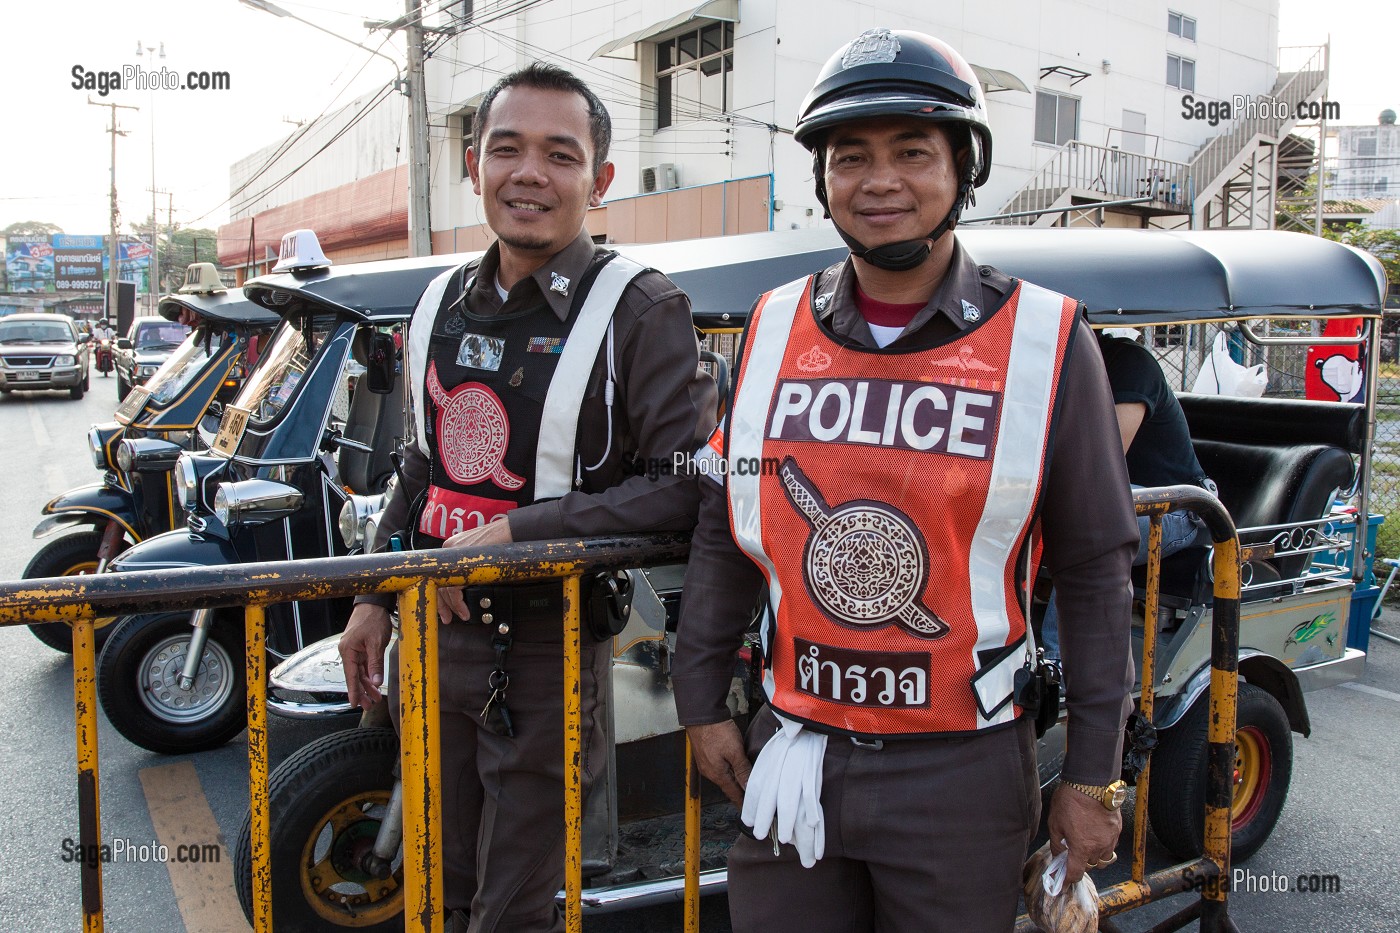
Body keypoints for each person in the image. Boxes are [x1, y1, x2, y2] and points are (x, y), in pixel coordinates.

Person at [672, 29, 1139, 931]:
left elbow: (1093, 570)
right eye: (851, 158)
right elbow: (725, 529)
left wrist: (1091, 774)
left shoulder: (1045, 339)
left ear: (965, 170)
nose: (879, 180)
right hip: (793, 749)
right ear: (824, 181)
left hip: (959, 774)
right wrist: (701, 703)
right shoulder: (769, 330)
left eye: (912, 152)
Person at [337, 62, 716, 933]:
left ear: (600, 179)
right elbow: (419, 471)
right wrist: (370, 594)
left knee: (510, 909)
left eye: (560, 153)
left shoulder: (641, 308)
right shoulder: (436, 300)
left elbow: (683, 489)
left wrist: (519, 532)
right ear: (475, 166)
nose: (529, 173)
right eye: (506, 150)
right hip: (432, 636)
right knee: (435, 888)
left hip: (545, 650)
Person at [1041, 331, 1214, 659]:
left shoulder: (1130, 365)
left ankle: (1060, 665)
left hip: (1170, 507)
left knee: (1094, 523)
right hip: (1117, 498)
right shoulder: (1050, 365)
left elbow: (1099, 468)